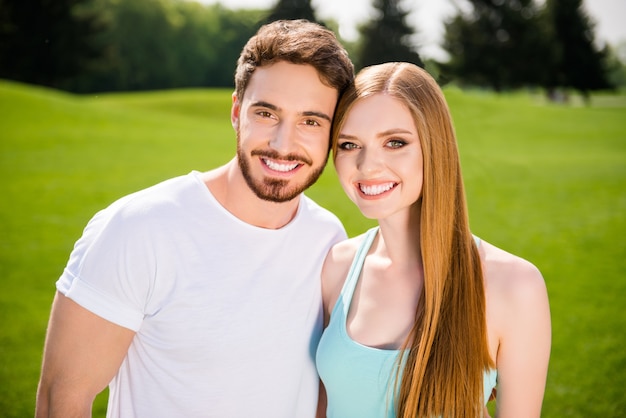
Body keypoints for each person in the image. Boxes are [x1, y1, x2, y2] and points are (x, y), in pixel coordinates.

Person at [35, 19, 354, 418]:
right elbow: (60, 400)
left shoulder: (327, 239)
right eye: (267, 113)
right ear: (237, 112)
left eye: (311, 120)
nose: (282, 144)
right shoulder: (140, 227)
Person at [315, 62, 551, 418]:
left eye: (395, 142)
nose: (367, 165)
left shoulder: (515, 286)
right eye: (349, 144)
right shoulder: (338, 266)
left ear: (434, 146)